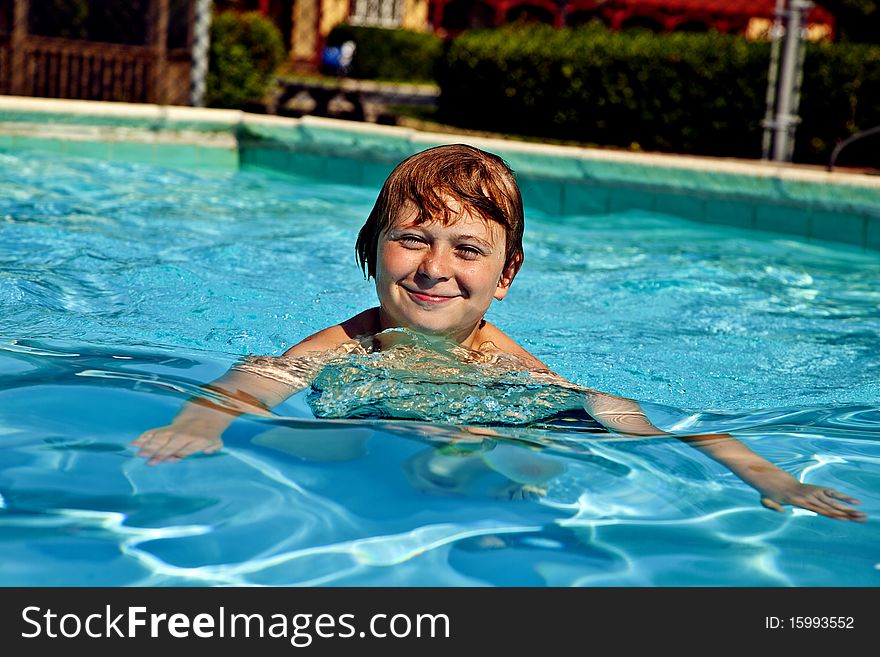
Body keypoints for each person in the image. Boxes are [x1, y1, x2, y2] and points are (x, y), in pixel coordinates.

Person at [133, 144, 866, 522]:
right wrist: (202, 423)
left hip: (476, 452)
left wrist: (771, 477)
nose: (434, 268)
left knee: (533, 461)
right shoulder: (344, 344)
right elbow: (253, 379)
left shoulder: (507, 365)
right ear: (373, 246)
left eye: (468, 249)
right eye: (412, 238)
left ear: (506, 274)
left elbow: (651, 428)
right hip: (367, 446)